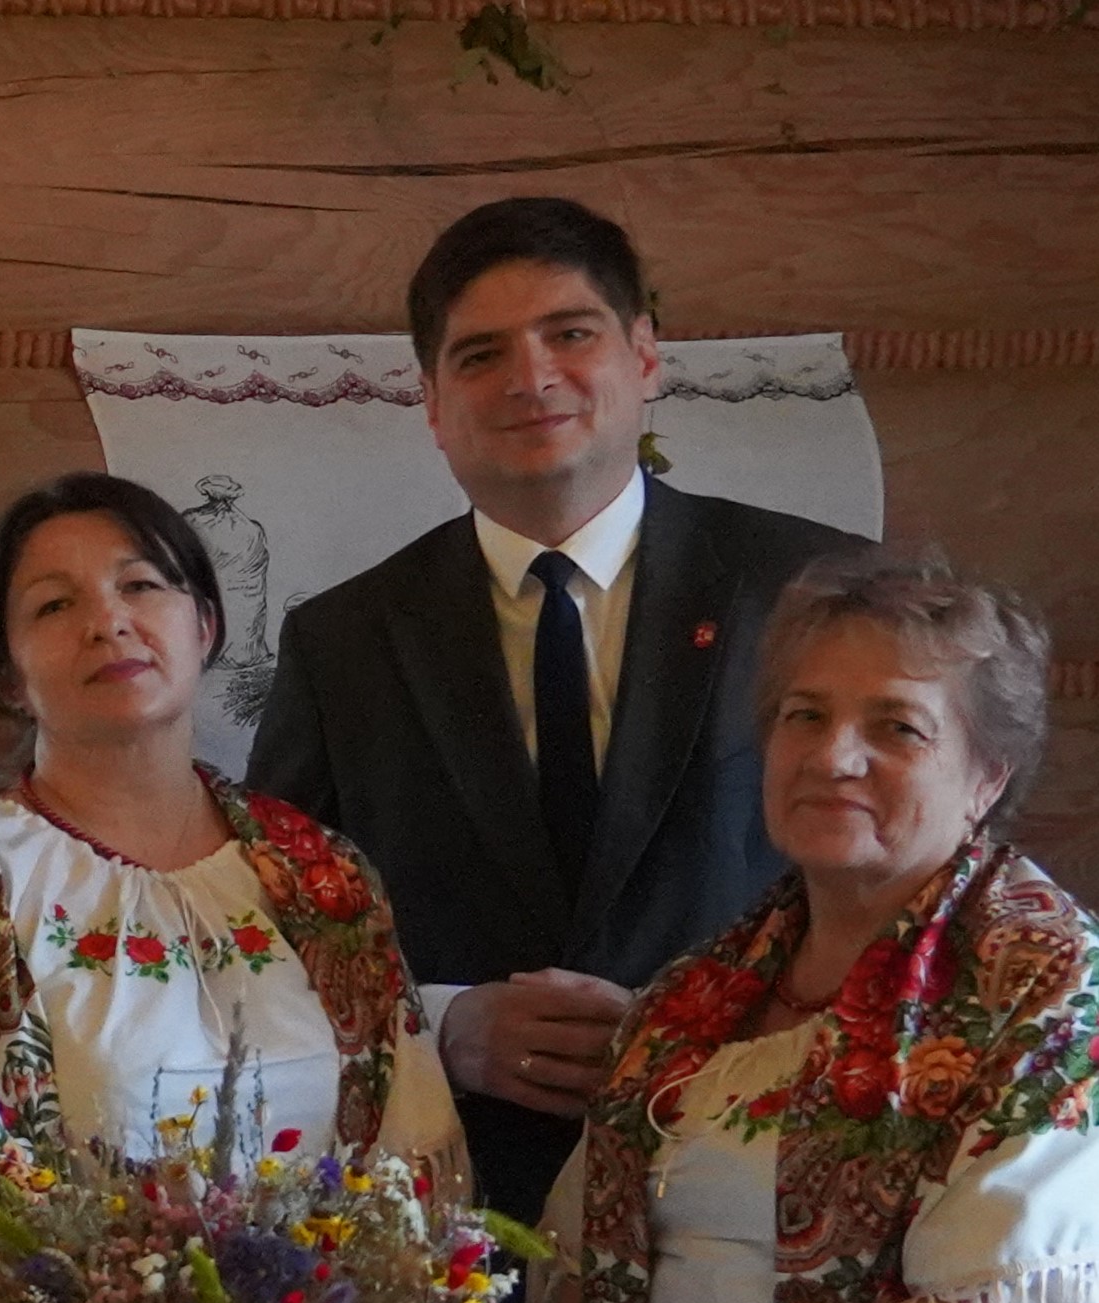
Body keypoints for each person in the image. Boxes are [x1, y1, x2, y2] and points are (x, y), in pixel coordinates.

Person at [560, 548, 1097, 1303]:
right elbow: (580, 1256)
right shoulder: (693, 994)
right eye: (804, 715)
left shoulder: (1048, 987)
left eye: (894, 726)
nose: (832, 755)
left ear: (987, 777)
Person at [249, 195, 861, 1219]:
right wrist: (441, 1026)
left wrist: (716, 1028)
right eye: (480, 354)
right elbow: (275, 929)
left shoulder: (811, 589)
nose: (529, 379)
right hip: (462, 1216)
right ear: (432, 405)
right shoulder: (343, 642)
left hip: (766, 1185)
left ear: (644, 356)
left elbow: (920, 887)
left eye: (569, 335)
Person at [0, 473, 461, 1218]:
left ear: (204, 625)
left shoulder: (318, 871)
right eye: (54, 605)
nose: (108, 622)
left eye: (139, 586)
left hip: (337, 1288)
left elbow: (411, 1149)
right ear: (9, 677)